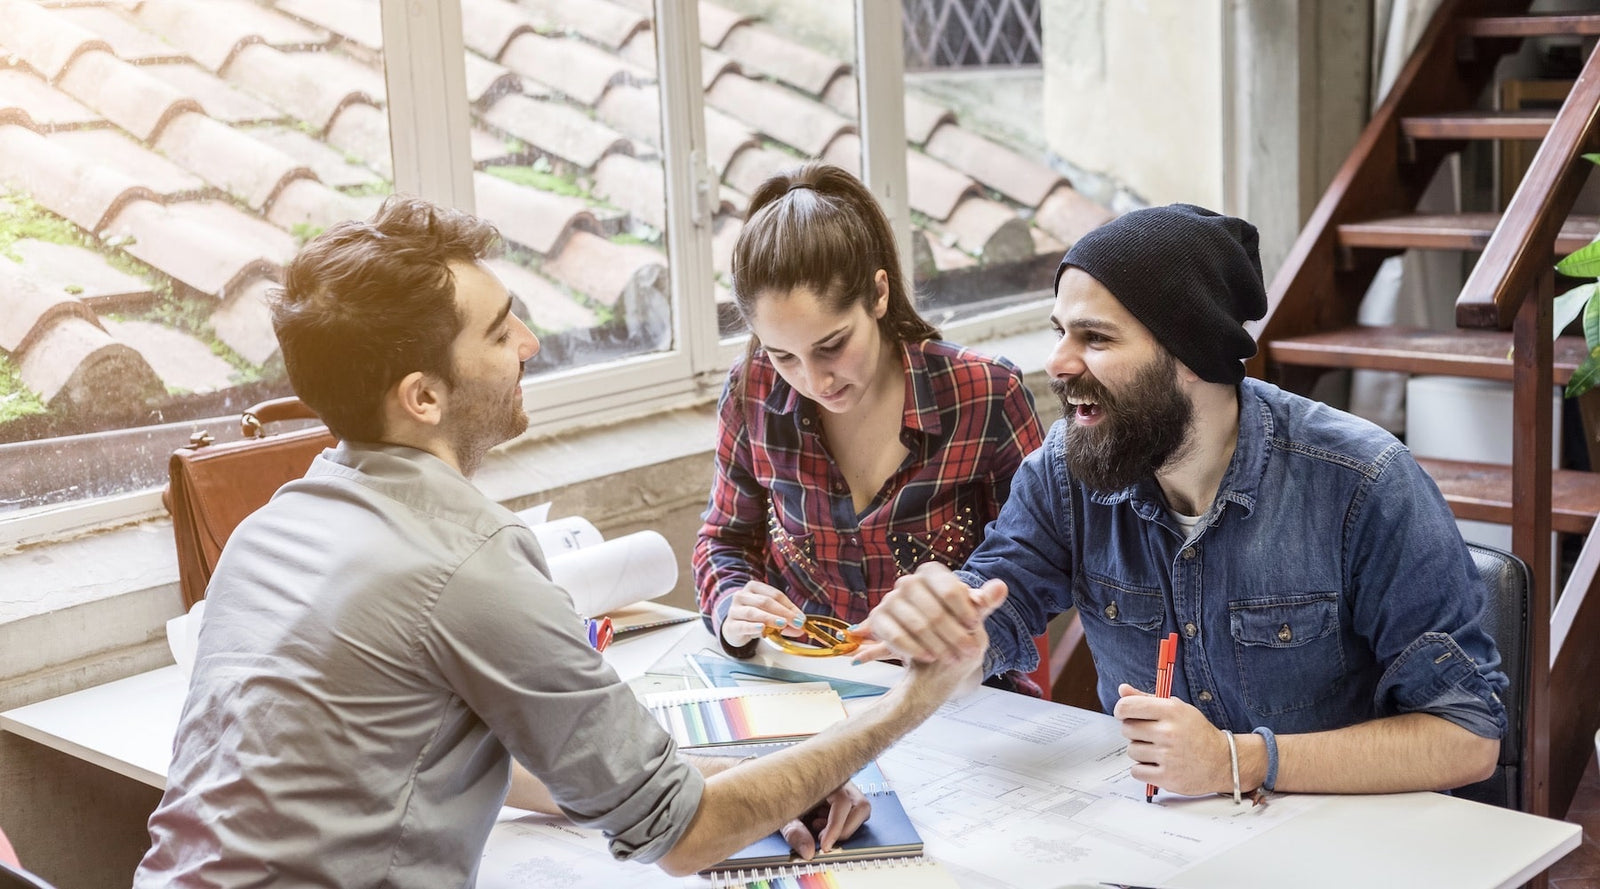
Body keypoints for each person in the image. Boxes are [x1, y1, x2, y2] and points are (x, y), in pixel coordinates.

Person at [133, 196, 994, 888]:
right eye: (500, 331)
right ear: (423, 397)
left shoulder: (272, 526)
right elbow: (684, 835)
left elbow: (479, 760)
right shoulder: (467, 564)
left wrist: (779, 777)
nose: (529, 345)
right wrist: (912, 702)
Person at [857, 203, 1507, 799]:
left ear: (1190, 355)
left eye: (1096, 338)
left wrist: (1239, 759)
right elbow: (995, 610)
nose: (1057, 361)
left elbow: (1467, 735)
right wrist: (945, 629)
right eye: (1061, 331)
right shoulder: (1066, 473)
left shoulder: (1364, 483)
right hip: (1165, 843)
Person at [692, 163, 1044, 689]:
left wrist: (964, 618)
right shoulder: (752, 392)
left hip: (958, 702)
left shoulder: (986, 394)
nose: (814, 380)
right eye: (783, 354)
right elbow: (724, 541)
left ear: (878, 294)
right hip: (812, 693)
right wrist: (731, 608)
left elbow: (1041, 563)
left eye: (831, 345)